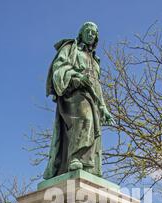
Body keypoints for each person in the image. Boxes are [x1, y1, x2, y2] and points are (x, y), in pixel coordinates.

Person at [43, 21, 114, 180]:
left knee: (93, 128)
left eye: (93, 33)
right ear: (81, 33)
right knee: (84, 118)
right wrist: (76, 77)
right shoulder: (70, 49)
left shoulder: (95, 61)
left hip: (91, 97)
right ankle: (75, 157)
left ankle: (87, 164)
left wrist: (103, 107)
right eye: (87, 31)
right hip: (73, 93)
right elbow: (58, 69)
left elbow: (97, 85)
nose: (90, 34)